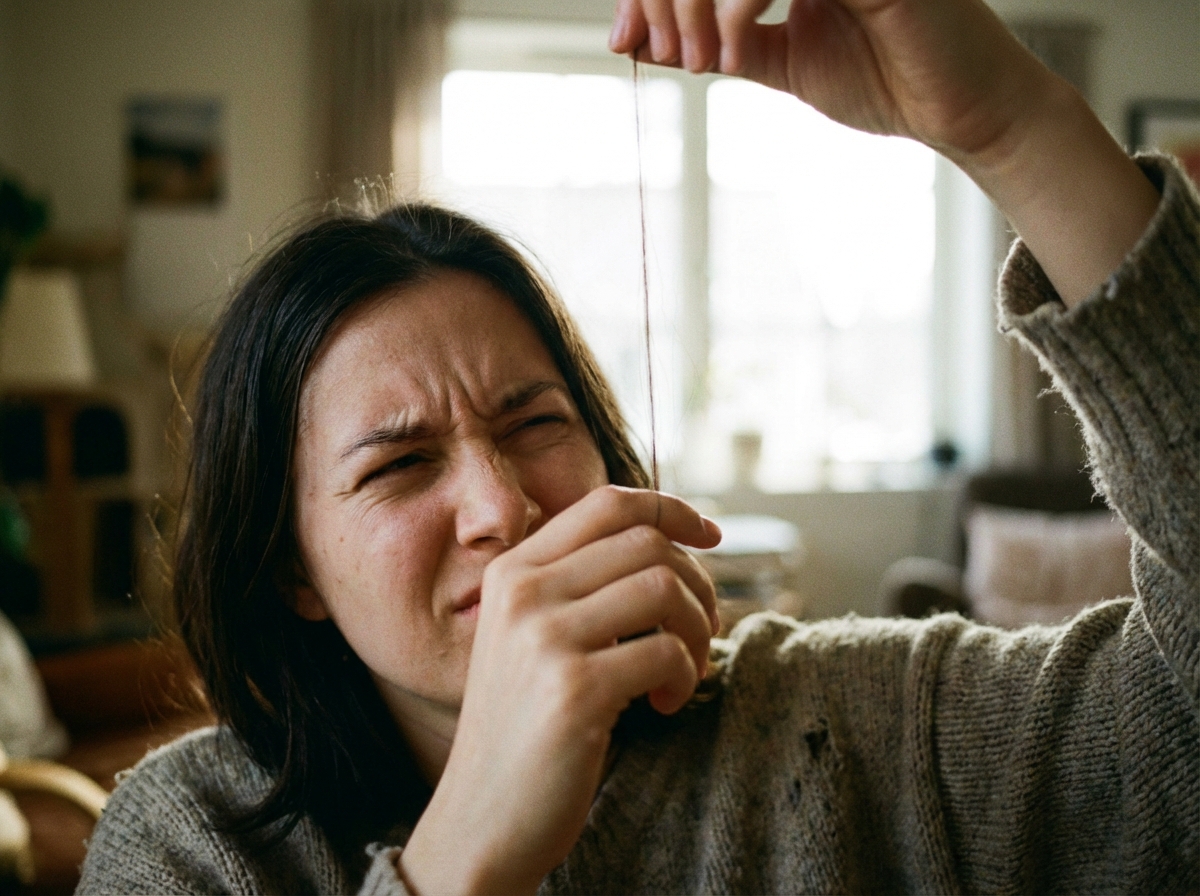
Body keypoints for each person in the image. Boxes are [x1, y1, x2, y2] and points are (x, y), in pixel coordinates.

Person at [79, 0, 1197, 892]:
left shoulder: (852, 728)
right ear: (292, 567)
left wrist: (1011, 120)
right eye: (398, 464)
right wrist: (464, 856)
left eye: (534, 422)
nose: (503, 506)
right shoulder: (188, 842)